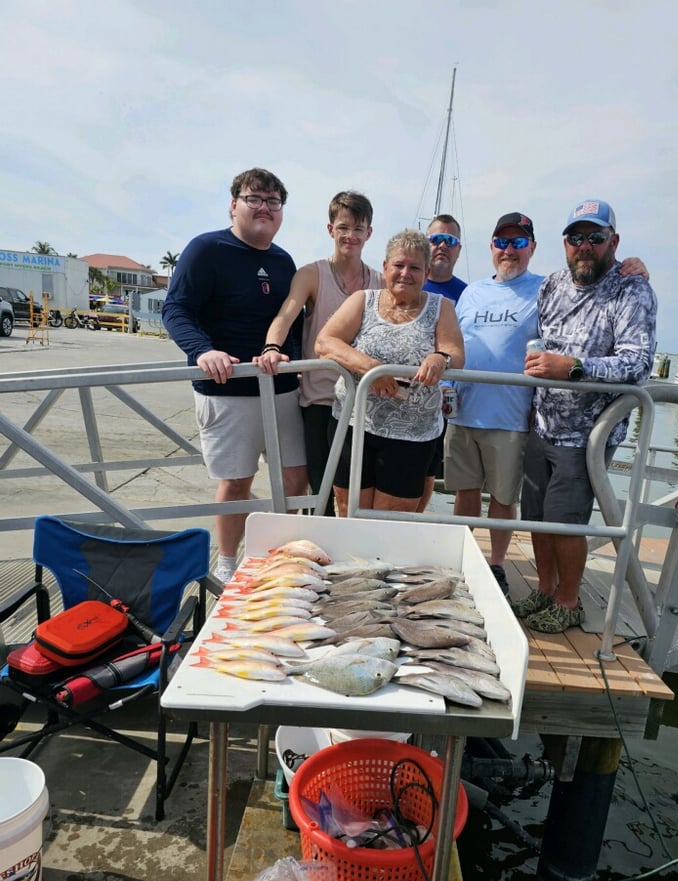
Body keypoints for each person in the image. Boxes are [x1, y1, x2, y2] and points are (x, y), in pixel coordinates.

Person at [517, 199, 657, 633]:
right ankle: (543, 589)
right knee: (535, 517)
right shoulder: (552, 284)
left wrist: (573, 367)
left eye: (595, 237)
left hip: (587, 436)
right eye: (576, 237)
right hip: (541, 424)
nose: (584, 246)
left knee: (565, 523)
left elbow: (637, 363)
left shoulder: (632, 289)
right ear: (564, 244)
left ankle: (569, 600)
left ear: (613, 242)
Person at [163, 167, 307, 584]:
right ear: (234, 205)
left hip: (280, 388)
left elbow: (291, 323)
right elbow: (177, 309)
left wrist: (294, 362)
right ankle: (227, 563)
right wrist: (202, 350)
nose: (264, 207)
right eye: (254, 199)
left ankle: (278, 557)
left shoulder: (283, 262)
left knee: (296, 478)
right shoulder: (205, 250)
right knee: (237, 481)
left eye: (273, 201)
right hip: (226, 390)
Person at [316, 229, 465, 516]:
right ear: (385, 267)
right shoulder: (363, 300)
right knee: (349, 509)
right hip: (354, 425)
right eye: (398, 265)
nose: (405, 273)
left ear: (426, 273)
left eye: (415, 267)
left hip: (412, 434)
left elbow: (455, 353)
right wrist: (373, 369)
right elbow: (325, 342)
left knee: (393, 518)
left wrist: (440, 357)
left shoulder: (441, 307)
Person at [254, 191, 381, 515]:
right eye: (343, 227)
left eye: (357, 228)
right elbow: (287, 312)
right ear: (330, 230)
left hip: (363, 404)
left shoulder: (379, 282)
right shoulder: (312, 273)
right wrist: (272, 348)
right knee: (321, 491)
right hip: (320, 400)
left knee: (355, 495)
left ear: (369, 232)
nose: (350, 236)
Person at [444, 213, 542, 596]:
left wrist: (633, 269)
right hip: (465, 409)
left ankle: (497, 564)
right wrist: (448, 388)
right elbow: (456, 343)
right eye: (502, 242)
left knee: (504, 497)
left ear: (532, 248)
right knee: (465, 492)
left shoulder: (546, 289)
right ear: (491, 247)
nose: (509, 250)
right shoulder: (472, 292)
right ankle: (462, 556)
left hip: (511, 414)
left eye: (519, 243)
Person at [417, 213, 467, 512]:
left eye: (450, 241)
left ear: (458, 249)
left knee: (428, 473)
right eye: (436, 239)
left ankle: (415, 523)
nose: (442, 246)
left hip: (443, 399)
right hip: (401, 392)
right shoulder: (407, 281)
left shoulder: (469, 294)